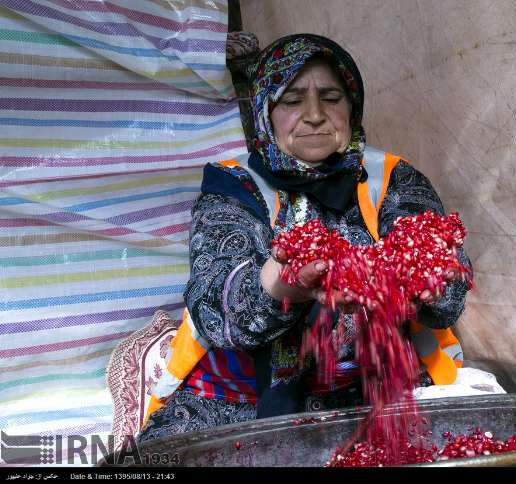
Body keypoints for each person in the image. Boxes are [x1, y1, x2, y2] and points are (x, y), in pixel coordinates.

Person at [137, 33, 471, 443]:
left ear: (353, 107)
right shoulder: (234, 185)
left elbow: (449, 297)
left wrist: (418, 274)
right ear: (265, 111)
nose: (314, 115)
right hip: (242, 400)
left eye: (331, 97)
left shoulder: (393, 178)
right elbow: (215, 301)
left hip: (379, 389)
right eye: (292, 101)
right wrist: (284, 283)